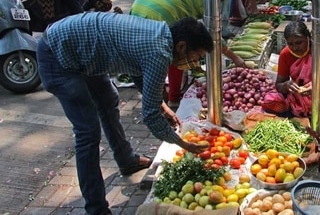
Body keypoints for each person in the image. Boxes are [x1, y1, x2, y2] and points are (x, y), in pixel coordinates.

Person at [37, 14, 212, 215]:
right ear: (181, 46)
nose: (194, 63)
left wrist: (162, 106)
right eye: (195, 58)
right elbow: (150, 116)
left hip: (82, 52)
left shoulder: (161, 34)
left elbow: (139, 72)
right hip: (57, 56)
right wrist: (183, 144)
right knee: (88, 133)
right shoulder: (160, 52)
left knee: (108, 101)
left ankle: (127, 161)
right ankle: (96, 209)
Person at [129, 0, 247, 107]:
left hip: (139, 8)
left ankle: (161, 98)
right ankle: (170, 100)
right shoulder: (206, 0)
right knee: (174, 54)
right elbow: (213, 36)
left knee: (152, 59)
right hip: (157, 14)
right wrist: (235, 58)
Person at [261, 21, 320, 124]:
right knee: (270, 100)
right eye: (290, 44)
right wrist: (286, 85)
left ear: (308, 38)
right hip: (303, 91)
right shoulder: (286, 54)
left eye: (299, 42)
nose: (295, 48)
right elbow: (279, 85)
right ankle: (307, 115)